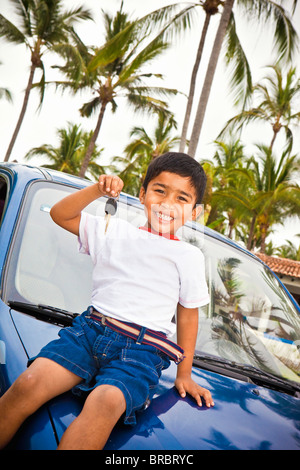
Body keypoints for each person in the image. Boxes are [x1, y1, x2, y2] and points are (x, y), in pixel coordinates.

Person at [0, 152, 214, 450]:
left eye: (182, 198)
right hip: (89, 334)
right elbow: (60, 215)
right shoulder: (112, 230)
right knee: (28, 383)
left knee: (105, 402)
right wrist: (97, 190)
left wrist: (185, 374)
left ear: (195, 212)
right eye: (160, 191)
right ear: (142, 194)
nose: (167, 204)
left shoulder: (190, 257)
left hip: (142, 351)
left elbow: (189, 314)